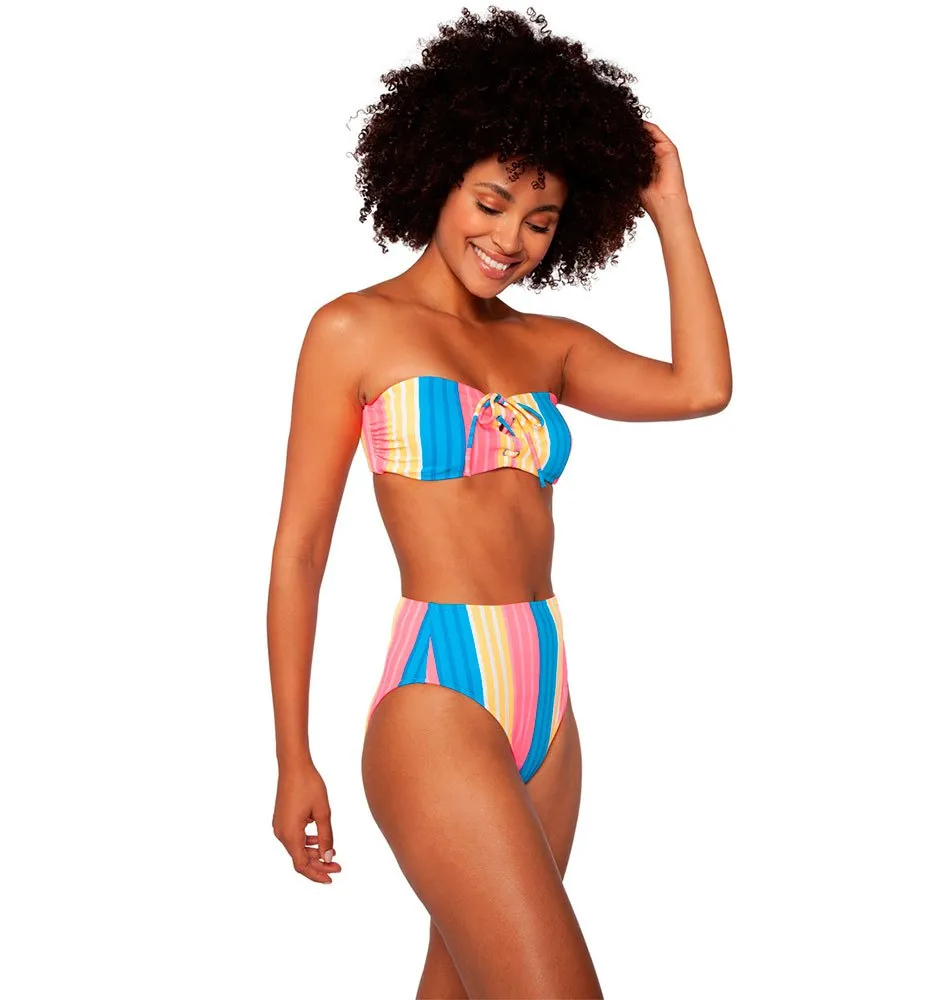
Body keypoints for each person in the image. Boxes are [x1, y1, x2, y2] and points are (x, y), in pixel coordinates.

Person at [267, 6, 731, 997]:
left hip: (546, 694)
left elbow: (701, 388)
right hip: (437, 690)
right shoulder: (353, 330)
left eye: (541, 220)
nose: (509, 238)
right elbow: (300, 554)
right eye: (490, 201)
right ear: (436, 173)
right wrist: (292, 757)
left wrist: (671, 208)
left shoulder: (547, 346)